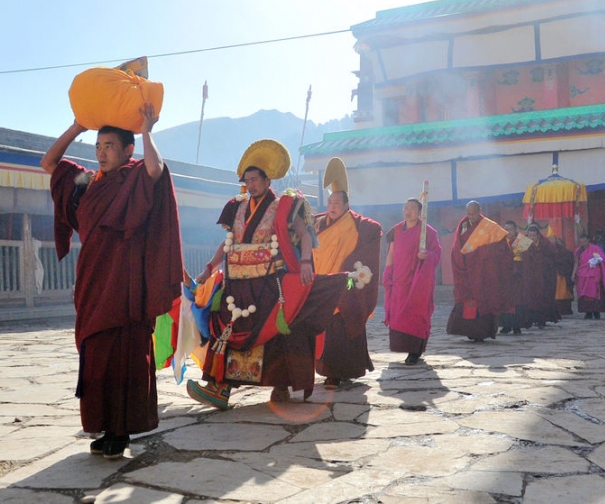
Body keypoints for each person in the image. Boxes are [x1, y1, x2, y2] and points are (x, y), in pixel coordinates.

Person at [41, 104, 183, 460]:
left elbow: (156, 169)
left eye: (109, 146)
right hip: (93, 280)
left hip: (126, 282)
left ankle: (121, 431)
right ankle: (103, 425)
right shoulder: (88, 183)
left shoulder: (134, 177)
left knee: (124, 355)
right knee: (96, 355)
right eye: (98, 146)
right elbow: (49, 163)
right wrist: (77, 126)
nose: (101, 153)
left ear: (128, 150)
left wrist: (147, 129)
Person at [187, 140, 359, 409]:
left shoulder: (284, 206)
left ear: (268, 180)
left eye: (255, 179)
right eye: (247, 180)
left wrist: (305, 261)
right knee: (228, 331)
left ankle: (280, 386)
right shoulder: (237, 207)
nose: (251, 184)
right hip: (237, 286)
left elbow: (304, 233)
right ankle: (219, 388)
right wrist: (209, 268)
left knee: (276, 336)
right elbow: (228, 242)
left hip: (270, 284)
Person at [312, 159, 382, 388]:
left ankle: (339, 372)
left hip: (346, 284)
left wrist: (348, 275)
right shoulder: (318, 224)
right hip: (321, 284)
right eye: (329, 202)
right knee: (324, 328)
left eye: (336, 203)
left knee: (342, 323)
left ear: (346, 205)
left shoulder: (359, 226)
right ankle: (328, 371)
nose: (332, 207)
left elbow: (369, 246)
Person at [383, 197, 441, 364]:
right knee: (399, 315)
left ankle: (414, 351)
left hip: (418, 280)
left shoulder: (428, 232)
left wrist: (426, 255)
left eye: (413, 208)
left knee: (416, 313)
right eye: (406, 208)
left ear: (420, 212)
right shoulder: (396, 230)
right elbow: (391, 252)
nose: (408, 211)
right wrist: (387, 271)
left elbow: (436, 254)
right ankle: (403, 345)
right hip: (399, 279)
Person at [446, 201, 510, 342]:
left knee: (484, 300)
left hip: (484, 272)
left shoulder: (490, 226)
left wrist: (481, 252)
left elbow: (503, 248)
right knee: (468, 301)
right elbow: (457, 247)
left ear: (480, 211)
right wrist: (461, 262)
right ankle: (469, 330)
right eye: (469, 214)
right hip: (467, 271)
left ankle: (482, 332)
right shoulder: (463, 225)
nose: (471, 217)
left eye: (474, 214)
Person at [520, 224, 562, 327]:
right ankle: (529, 319)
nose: (532, 238)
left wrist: (541, 260)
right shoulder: (523, 242)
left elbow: (554, 256)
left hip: (543, 276)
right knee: (529, 298)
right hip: (528, 276)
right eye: (530, 235)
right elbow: (516, 256)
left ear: (538, 235)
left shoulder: (545, 243)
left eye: (534, 235)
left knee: (542, 298)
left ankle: (541, 320)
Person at [573, 232, 605, 319]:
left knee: (594, 293)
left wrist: (595, 261)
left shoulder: (595, 249)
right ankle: (588, 312)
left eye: (585, 241)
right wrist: (573, 273)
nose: (583, 243)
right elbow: (576, 263)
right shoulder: (578, 250)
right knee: (584, 294)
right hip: (582, 274)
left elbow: (601, 259)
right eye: (581, 242)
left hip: (593, 274)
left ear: (588, 240)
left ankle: (596, 312)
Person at [499, 220, 527, 335]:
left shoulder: (522, 241)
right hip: (505, 277)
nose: (508, 232)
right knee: (505, 301)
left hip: (518, 278)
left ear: (515, 230)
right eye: (506, 229)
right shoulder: (501, 242)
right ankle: (506, 325)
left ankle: (517, 326)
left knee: (517, 302)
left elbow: (530, 260)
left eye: (510, 229)